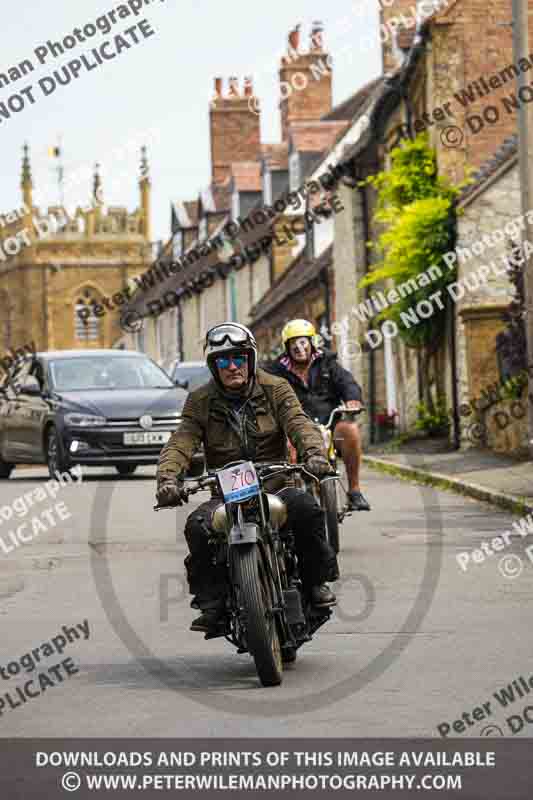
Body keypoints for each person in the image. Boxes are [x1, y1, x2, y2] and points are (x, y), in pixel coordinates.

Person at [156, 322, 339, 634]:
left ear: (250, 359)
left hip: (276, 485)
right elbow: (181, 441)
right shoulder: (200, 400)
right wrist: (168, 479)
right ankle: (212, 602)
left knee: (307, 509)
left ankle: (315, 583)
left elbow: (298, 422)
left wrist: (314, 454)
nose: (232, 367)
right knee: (197, 527)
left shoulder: (276, 388)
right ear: (213, 366)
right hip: (226, 494)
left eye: (238, 358)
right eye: (223, 361)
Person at [265, 319, 371, 512]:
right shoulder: (275, 371)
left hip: (330, 426)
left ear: (312, 342)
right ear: (286, 347)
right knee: (285, 446)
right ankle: (290, 498)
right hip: (295, 430)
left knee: (350, 430)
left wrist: (353, 399)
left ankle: (355, 491)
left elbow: (347, 382)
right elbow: (264, 391)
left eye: (303, 342)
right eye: (293, 343)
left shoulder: (327, 363)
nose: (299, 347)